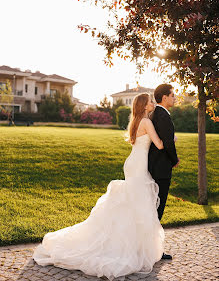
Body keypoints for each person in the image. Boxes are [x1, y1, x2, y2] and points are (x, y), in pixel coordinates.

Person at [33, 93, 165, 280]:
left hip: (132, 163)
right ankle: (131, 246)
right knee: (138, 202)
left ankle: (131, 243)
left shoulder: (135, 121)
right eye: (151, 101)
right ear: (144, 105)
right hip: (139, 165)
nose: (153, 103)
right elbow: (159, 145)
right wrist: (170, 141)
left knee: (132, 201)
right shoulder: (147, 122)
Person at [148, 84, 179, 260]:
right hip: (161, 169)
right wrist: (175, 160)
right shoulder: (162, 115)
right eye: (173, 95)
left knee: (153, 209)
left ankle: (150, 248)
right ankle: (153, 250)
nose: (175, 98)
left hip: (156, 167)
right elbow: (167, 143)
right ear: (164, 97)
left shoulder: (157, 114)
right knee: (157, 210)